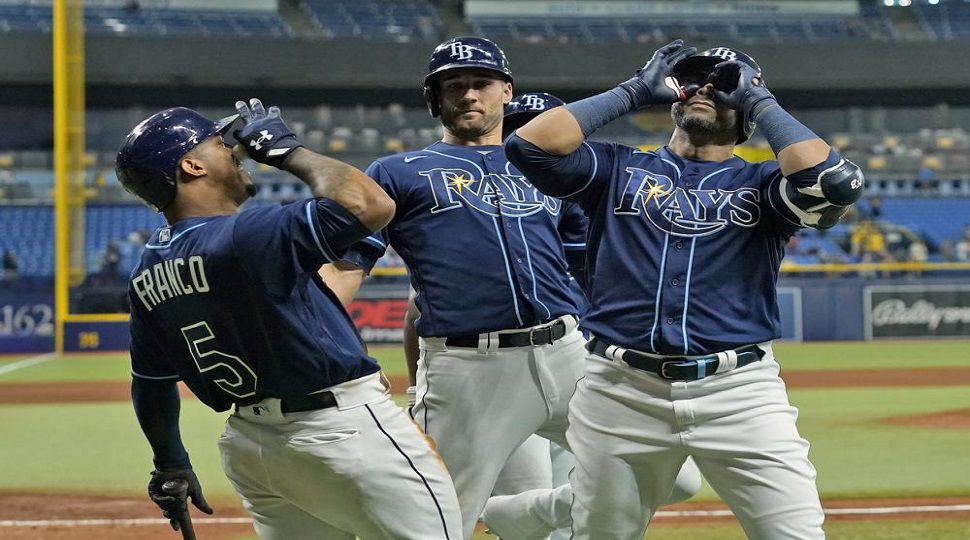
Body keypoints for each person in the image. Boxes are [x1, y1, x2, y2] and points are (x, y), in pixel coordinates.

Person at [329, 37, 702, 539]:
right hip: (469, 370)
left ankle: (521, 515)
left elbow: (589, 267)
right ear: (433, 100)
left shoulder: (546, 168)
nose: (467, 95)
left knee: (677, 475)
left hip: (570, 351)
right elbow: (344, 273)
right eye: (452, 86)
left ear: (507, 92)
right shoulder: (397, 173)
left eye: (481, 83)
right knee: (436, 524)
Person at [503, 41, 865, 539]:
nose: (706, 89)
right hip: (619, 389)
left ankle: (531, 513)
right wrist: (633, 91)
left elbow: (833, 183)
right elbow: (527, 146)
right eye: (695, 80)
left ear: (744, 114)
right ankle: (533, 515)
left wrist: (759, 100)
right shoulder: (617, 168)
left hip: (740, 392)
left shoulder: (762, 183)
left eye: (724, 85)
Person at [118, 102, 461, 539]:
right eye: (221, 143)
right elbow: (370, 203)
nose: (235, 149)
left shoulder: (147, 273)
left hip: (255, 449)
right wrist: (284, 150)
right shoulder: (244, 234)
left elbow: (151, 380)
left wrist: (170, 461)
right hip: (343, 430)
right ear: (191, 165)